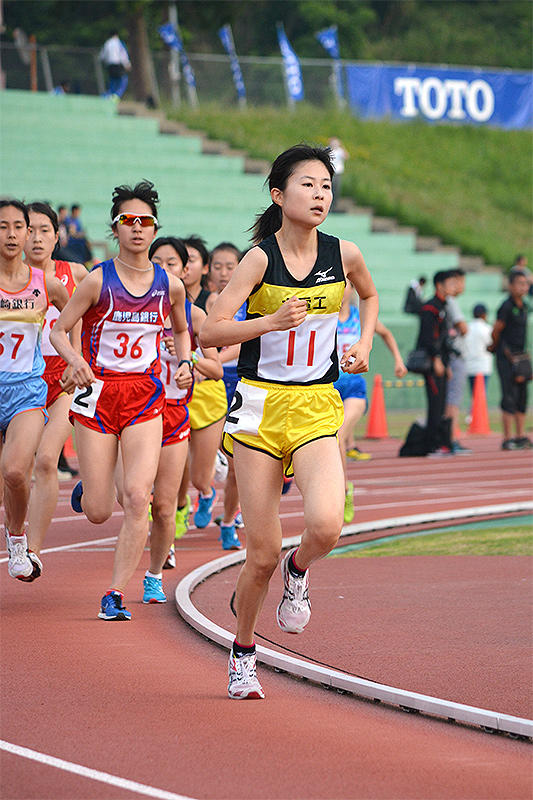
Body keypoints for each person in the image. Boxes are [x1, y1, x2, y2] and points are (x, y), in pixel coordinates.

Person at [201, 144, 379, 699]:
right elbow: (209, 331)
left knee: (326, 526)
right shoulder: (259, 260)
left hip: (316, 405)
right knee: (261, 553)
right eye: (308, 184)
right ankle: (243, 652)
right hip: (259, 408)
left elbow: (370, 295)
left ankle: (297, 571)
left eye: (326, 185)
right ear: (279, 195)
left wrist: (364, 343)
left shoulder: (344, 253)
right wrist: (269, 322)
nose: (320, 194)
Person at [50, 181, 192, 620]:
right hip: (97, 394)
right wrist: (75, 359)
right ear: (115, 229)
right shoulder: (98, 280)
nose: (137, 227)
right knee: (97, 511)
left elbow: (182, 328)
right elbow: (59, 330)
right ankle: (92, 488)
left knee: (136, 496)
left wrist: (185, 362)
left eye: (145, 221)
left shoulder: (169, 286)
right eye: (128, 220)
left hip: (144, 397)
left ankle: (114, 593)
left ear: (155, 229)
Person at [0, 199, 69, 582]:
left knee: (15, 471)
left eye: (18, 227)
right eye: (2, 226)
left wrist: (76, 358)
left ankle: (17, 539)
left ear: (27, 233)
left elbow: (75, 316)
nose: (11, 235)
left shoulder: (46, 284)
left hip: (26, 391)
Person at [148, 236, 223, 576]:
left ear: (185, 270)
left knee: (189, 479)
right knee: (139, 489)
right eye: (158, 263)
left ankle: (171, 534)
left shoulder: (195, 314)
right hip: (143, 407)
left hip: (190, 404)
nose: (164, 270)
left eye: (172, 264)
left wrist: (186, 358)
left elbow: (216, 368)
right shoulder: (135, 309)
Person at [24, 202, 88, 565]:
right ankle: (16, 532)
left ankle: (32, 550)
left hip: (63, 378)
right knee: (13, 471)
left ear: (57, 235)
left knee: (48, 460)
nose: (36, 238)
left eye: (44, 230)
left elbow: (89, 318)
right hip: (19, 380)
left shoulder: (75, 273)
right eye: (29, 229)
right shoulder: (8, 279)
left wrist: (76, 358)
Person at [335, 282, 407, 523]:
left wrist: (398, 360)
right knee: (329, 441)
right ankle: (339, 487)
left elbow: (385, 333)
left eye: (345, 285)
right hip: (328, 389)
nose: (341, 290)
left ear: (352, 290)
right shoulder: (325, 317)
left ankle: (343, 491)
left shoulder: (360, 317)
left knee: (338, 434)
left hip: (354, 389)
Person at [179, 234, 228, 533]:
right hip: (174, 395)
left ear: (202, 267)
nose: (182, 268)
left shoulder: (209, 303)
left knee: (199, 476)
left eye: (189, 261)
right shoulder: (156, 301)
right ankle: (176, 512)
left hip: (207, 394)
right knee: (176, 469)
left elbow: (220, 353)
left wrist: (191, 360)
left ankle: (207, 492)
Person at [208, 241, 247, 549]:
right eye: (217, 267)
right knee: (206, 453)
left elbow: (241, 343)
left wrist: (214, 361)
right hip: (210, 381)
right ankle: (201, 491)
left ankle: (228, 520)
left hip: (241, 381)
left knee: (235, 464)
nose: (223, 273)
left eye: (230, 267)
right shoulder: (206, 302)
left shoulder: (251, 300)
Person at [489, 270, 531, 450]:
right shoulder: (506, 306)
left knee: (522, 396)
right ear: (511, 286)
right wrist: (495, 346)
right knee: (509, 396)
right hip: (507, 357)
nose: (524, 287)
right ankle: (507, 438)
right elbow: (496, 329)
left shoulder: (525, 306)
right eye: (520, 283)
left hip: (522, 357)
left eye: (526, 283)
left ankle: (520, 435)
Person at [415, 270, 455, 456]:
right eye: (450, 283)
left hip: (442, 362)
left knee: (441, 404)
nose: (454, 287)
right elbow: (427, 338)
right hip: (432, 363)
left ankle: (440, 442)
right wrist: (437, 359)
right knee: (435, 404)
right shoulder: (430, 308)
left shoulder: (444, 306)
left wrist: (447, 364)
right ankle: (430, 445)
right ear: (439, 285)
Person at [444, 268, 471, 454]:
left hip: (451, 355)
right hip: (455, 355)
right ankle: (451, 438)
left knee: (450, 398)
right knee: (453, 399)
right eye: (460, 282)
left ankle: (449, 437)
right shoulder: (450, 301)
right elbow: (463, 327)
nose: (461, 286)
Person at [463, 303, 493, 396]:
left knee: (474, 394)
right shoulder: (487, 329)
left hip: (469, 366)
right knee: (481, 395)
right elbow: (491, 345)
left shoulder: (467, 328)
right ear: (484, 315)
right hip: (483, 366)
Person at [99, 30, 131, 99]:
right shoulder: (119, 43)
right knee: (123, 81)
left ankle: (106, 96)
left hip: (110, 65)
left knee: (112, 82)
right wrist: (127, 64)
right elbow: (123, 55)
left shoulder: (107, 43)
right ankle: (116, 96)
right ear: (116, 35)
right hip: (118, 64)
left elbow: (102, 56)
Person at [328, 137, 349, 212]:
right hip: (330, 172)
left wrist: (342, 147)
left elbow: (346, 157)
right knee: (329, 188)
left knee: (336, 189)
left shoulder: (340, 151)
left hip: (337, 173)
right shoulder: (328, 150)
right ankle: (328, 205)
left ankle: (334, 206)